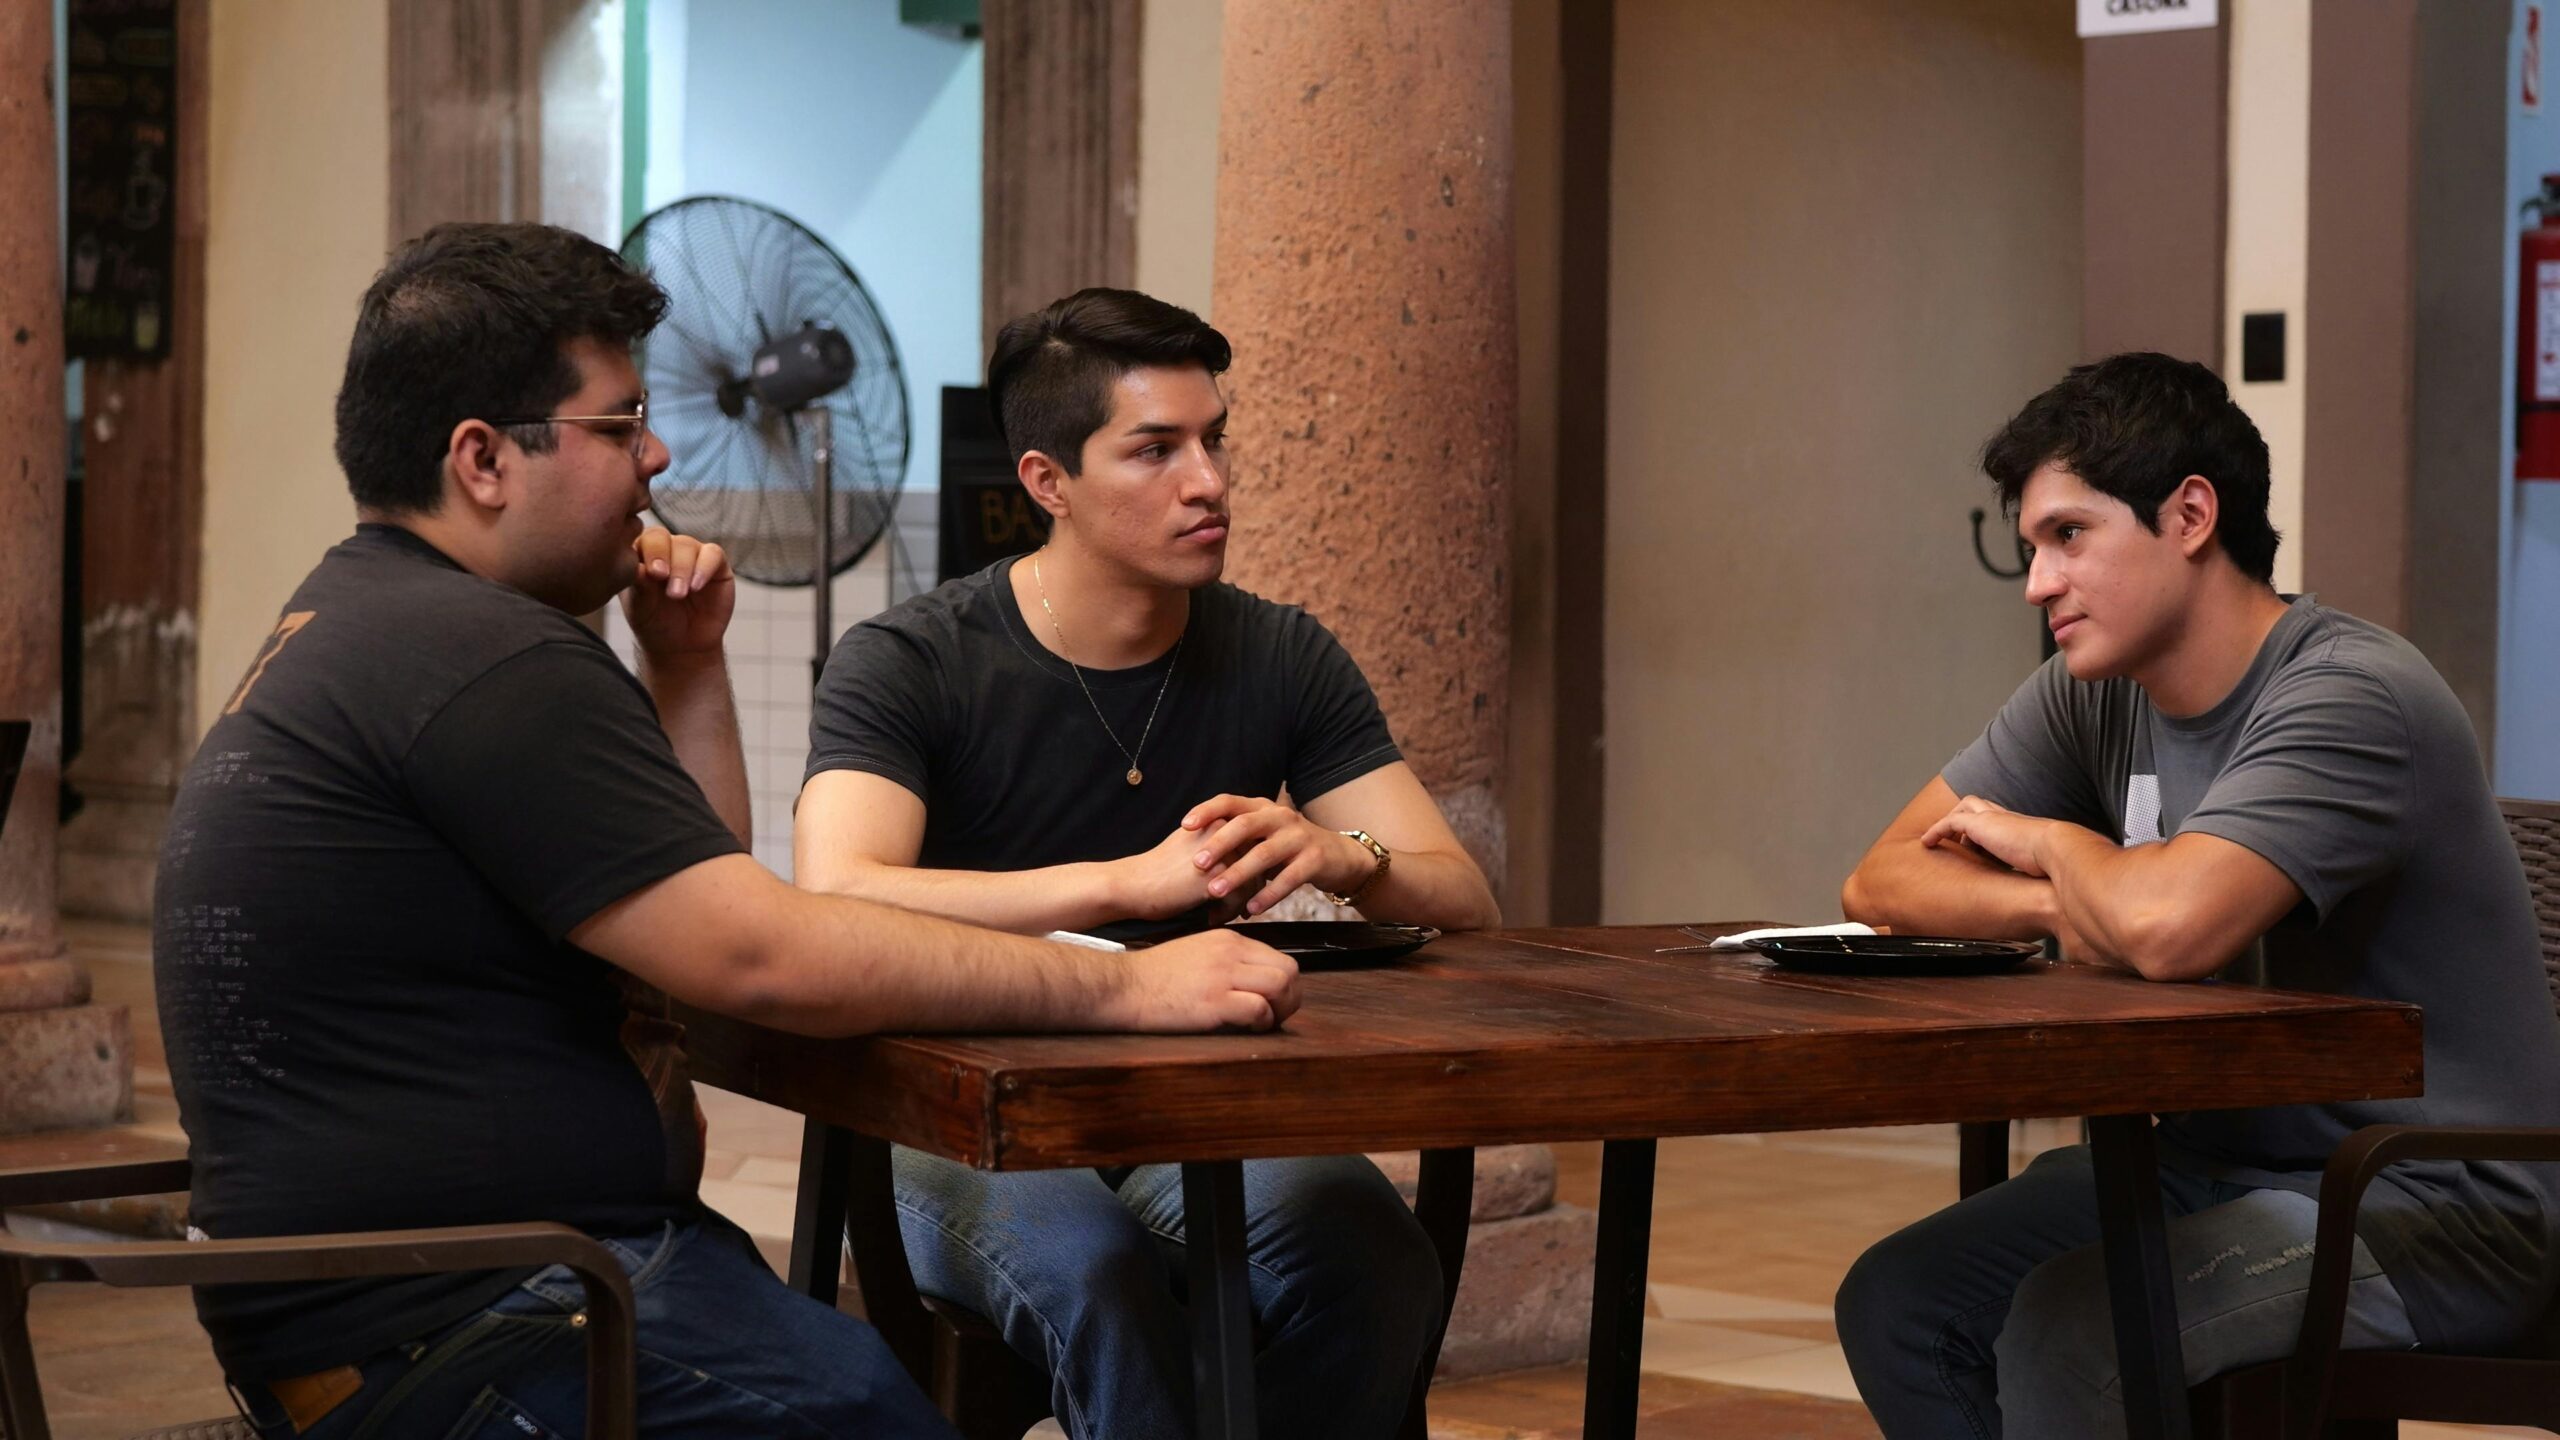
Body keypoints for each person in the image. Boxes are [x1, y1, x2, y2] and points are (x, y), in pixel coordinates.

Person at [156, 225, 1300, 1440]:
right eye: (618, 423)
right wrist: (1129, 989)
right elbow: (761, 960)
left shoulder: (366, 614)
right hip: (481, 1313)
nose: (656, 457)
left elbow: (683, 908)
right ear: (484, 459)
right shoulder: (485, 655)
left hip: (406, 1305)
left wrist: (686, 666)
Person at [793, 286, 1502, 1438]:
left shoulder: (1280, 652)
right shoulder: (911, 658)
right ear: (1045, 482)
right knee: (1102, 1279)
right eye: (1156, 449)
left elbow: (1462, 893)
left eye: (1215, 439)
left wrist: (1345, 853)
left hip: (1195, 1103)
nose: (1208, 480)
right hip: (960, 1106)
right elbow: (840, 892)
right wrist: (1130, 882)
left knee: (1378, 1261)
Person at [1830, 352, 2560, 1438]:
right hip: (2213, 1164)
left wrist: (2045, 843)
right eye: (2029, 547)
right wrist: (2066, 909)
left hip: (2430, 1204)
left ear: (2187, 515)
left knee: (2076, 1331)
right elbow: (1881, 879)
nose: (2038, 585)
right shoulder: (2095, 695)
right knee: (1900, 1302)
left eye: (2068, 536)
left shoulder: (2352, 692)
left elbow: (2169, 929)